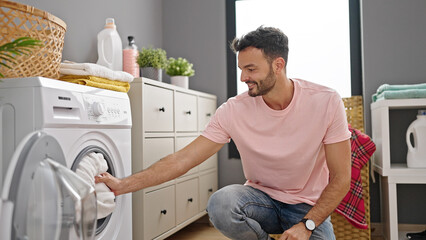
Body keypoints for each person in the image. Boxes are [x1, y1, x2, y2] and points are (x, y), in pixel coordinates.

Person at [96, 26, 351, 240]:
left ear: (278, 65)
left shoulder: (326, 101)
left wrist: (306, 226)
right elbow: (182, 160)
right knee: (221, 204)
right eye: (241, 69)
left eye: (251, 69)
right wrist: (121, 185)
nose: (243, 77)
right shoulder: (233, 110)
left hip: (307, 207)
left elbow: (341, 178)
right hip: (259, 200)